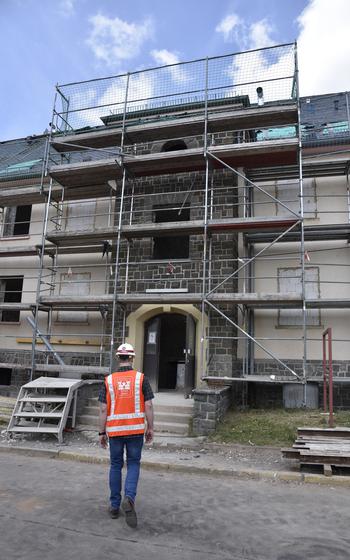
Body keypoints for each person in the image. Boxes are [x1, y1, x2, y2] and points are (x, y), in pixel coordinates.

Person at [98, 342, 154, 528]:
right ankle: (129, 498)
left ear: (117, 358)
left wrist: (101, 432)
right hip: (135, 430)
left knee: (115, 465)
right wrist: (150, 427)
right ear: (132, 358)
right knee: (133, 464)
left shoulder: (108, 380)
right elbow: (149, 405)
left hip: (115, 431)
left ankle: (114, 506)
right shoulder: (141, 378)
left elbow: (103, 409)